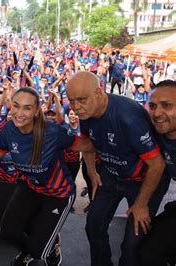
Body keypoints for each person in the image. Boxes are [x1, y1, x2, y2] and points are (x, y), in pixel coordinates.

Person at [0, 87, 95, 265]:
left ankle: (52, 244)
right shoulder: (8, 129)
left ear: (36, 111)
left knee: (39, 253)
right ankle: (31, 248)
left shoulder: (53, 132)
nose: (19, 113)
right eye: (16, 106)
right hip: (30, 187)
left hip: (58, 194)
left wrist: (93, 174)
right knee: (8, 232)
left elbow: (87, 145)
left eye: (27, 108)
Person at [66, 71, 169, 266]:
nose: (76, 107)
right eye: (71, 101)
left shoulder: (128, 117)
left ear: (98, 93)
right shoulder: (86, 113)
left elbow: (157, 164)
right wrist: (91, 172)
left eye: (81, 99)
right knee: (94, 225)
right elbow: (88, 143)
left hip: (145, 179)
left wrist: (141, 204)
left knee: (132, 242)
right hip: (112, 175)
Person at [140, 80, 176, 266]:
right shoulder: (159, 135)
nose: (157, 113)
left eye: (167, 105)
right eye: (153, 106)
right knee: (148, 249)